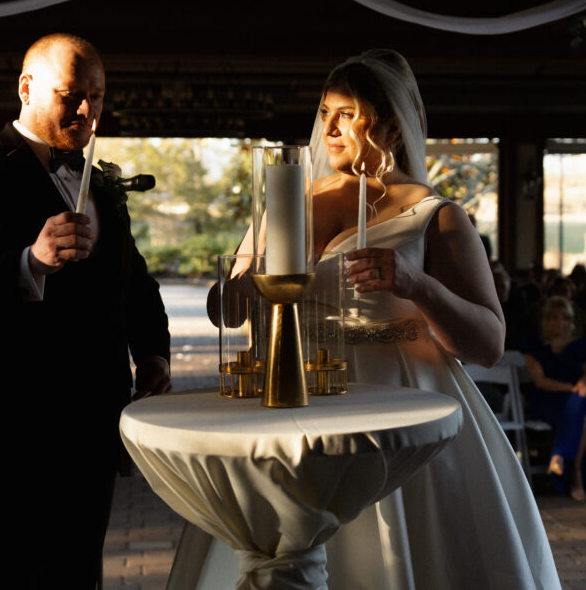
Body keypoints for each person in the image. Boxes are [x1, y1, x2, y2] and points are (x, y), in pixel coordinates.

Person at [175, 49, 559, 588]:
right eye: (325, 112)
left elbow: (489, 344)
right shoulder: (289, 201)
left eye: (347, 114)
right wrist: (234, 287)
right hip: (296, 405)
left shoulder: (435, 216)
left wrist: (415, 284)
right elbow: (232, 310)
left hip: (396, 413)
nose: (328, 127)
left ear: (392, 125)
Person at [0, 33, 171, 589]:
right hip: (8, 428)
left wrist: (152, 352)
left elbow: (134, 280)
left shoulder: (101, 186)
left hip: (92, 424)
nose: (87, 110)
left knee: (80, 576)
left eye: (98, 97)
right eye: (71, 94)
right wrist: (28, 262)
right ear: (26, 88)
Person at [523, 296, 586, 501]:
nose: (560, 323)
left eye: (565, 318)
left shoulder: (579, 345)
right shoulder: (534, 345)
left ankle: (561, 459)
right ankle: (575, 475)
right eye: (554, 318)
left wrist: (584, 382)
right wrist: (573, 388)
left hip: (574, 401)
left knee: (583, 408)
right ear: (546, 319)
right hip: (547, 400)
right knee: (584, 418)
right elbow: (540, 381)